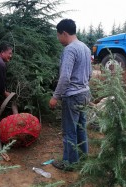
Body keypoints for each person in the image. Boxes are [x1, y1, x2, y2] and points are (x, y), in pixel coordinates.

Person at [49, 19, 92, 170]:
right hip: (85, 93)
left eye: (58, 35)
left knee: (69, 131)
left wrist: (55, 96)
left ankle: (70, 163)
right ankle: (83, 157)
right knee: (80, 127)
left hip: (72, 96)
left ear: (64, 33)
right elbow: (90, 74)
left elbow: (65, 77)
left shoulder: (70, 49)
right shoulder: (85, 48)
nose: (58, 38)